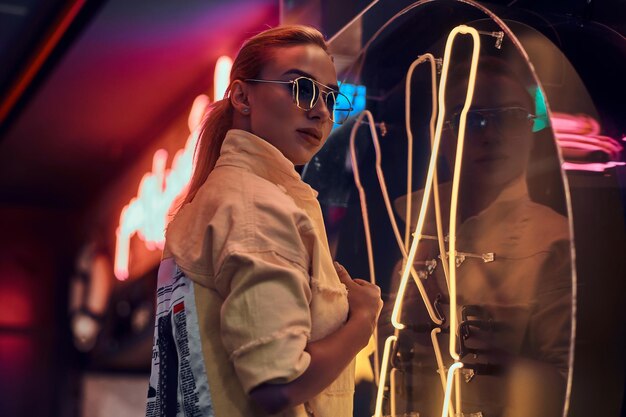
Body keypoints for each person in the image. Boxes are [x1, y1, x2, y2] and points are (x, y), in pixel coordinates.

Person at [145, 25, 383, 417]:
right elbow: (277, 386)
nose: (320, 110)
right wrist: (362, 321)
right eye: (301, 88)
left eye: (329, 97)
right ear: (241, 95)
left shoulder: (226, 197)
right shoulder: (257, 206)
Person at [387, 56, 572, 417]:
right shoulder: (413, 228)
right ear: (442, 136)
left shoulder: (554, 242)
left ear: (530, 132)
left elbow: (578, 385)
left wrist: (492, 363)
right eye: (472, 118)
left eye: (512, 116)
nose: (491, 134)